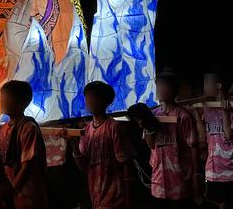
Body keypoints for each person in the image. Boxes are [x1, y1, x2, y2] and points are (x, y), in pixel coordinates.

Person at [144, 70, 201, 208]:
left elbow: (193, 147)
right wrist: (149, 127)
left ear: (174, 90)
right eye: (159, 86)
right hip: (158, 181)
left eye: (165, 86)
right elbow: (151, 145)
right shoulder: (152, 115)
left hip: (180, 180)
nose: (161, 89)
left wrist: (196, 176)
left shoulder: (183, 116)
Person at [72, 81, 132, 209]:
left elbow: (124, 163)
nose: (89, 101)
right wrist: (73, 144)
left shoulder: (114, 127)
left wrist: (128, 194)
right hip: (95, 192)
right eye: (87, 97)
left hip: (115, 193)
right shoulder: (86, 131)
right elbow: (83, 166)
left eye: (93, 97)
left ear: (105, 101)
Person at [0, 80, 49, 209]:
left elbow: (28, 164)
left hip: (27, 191)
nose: (3, 102)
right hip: (10, 189)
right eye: (2, 98)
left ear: (23, 102)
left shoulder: (28, 128)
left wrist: (13, 189)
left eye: (7, 98)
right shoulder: (3, 129)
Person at [200, 70, 232, 209]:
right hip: (213, 168)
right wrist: (196, 114)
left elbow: (229, 135)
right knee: (217, 201)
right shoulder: (207, 109)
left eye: (207, 83)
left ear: (218, 85)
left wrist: (224, 112)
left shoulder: (230, 107)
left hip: (229, 168)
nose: (204, 87)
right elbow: (203, 137)